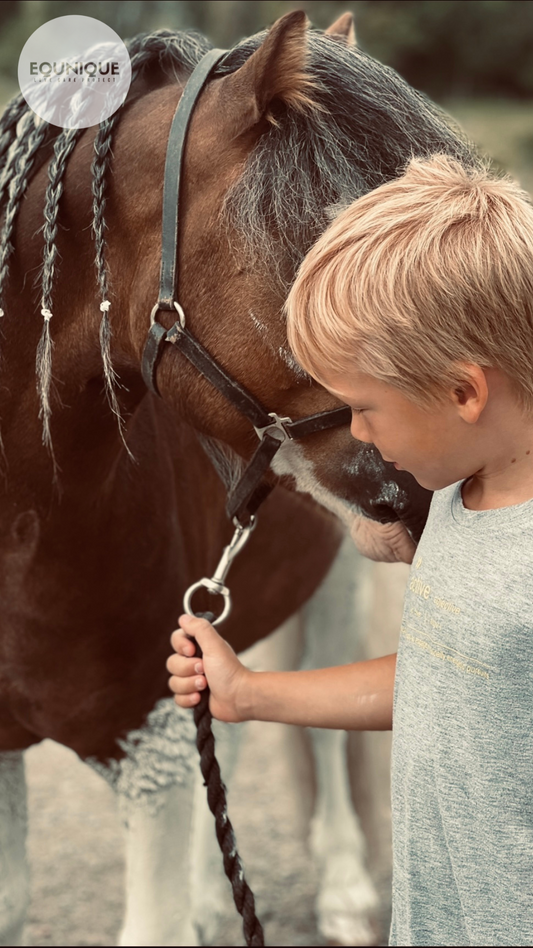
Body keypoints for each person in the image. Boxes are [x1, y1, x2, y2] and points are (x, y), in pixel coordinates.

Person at [167, 154, 533, 946]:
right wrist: (250, 696)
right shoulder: (455, 500)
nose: (357, 434)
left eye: (363, 408)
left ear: (463, 392)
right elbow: (447, 686)